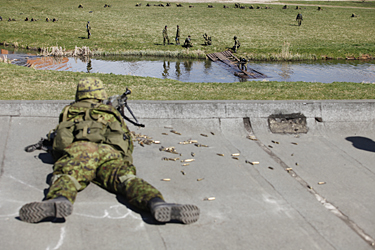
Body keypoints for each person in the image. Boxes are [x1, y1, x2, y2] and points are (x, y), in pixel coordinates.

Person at [18, 77, 200, 224]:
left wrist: (62, 157)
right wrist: (124, 161)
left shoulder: (70, 111)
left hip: (81, 150)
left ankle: (59, 200)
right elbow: (126, 141)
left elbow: (60, 142)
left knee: (69, 176)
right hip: (110, 154)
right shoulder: (111, 112)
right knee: (127, 180)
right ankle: (156, 202)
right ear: (101, 94)